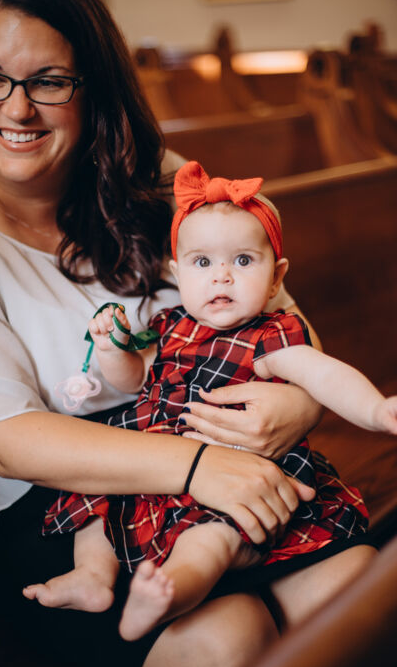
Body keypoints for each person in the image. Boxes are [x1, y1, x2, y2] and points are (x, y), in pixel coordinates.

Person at [0, 0, 376, 667]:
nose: (16, 107)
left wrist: (301, 406)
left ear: (94, 87)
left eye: (49, 80)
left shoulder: (158, 180)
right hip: (72, 506)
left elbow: (285, 317)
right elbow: (4, 442)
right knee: (226, 645)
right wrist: (197, 467)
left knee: (351, 595)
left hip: (230, 449)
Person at [24, 160, 394, 641]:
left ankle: (171, 591)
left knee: (211, 537)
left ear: (276, 278)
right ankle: (93, 576)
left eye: (243, 261)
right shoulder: (169, 325)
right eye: (203, 263)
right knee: (94, 500)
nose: (222, 277)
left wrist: (376, 409)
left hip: (234, 470)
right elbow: (135, 380)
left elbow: (325, 375)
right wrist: (113, 351)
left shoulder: (271, 337)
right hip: (157, 461)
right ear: (178, 274)